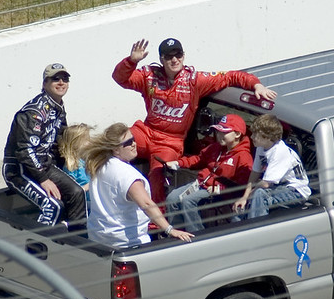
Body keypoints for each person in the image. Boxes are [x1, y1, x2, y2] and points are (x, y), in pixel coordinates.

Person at [112, 37, 277, 205]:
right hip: (146, 131)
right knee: (113, 143)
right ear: (161, 59)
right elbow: (120, 79)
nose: (175, 59)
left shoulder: (195, 80)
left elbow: (230, 77)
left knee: (159, 174)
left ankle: (157, 224)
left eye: (178, 55)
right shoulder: (149, 76)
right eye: (169, 56)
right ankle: (109, 197)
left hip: (170, 142)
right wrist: (131, 61)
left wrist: (256, 85)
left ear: (184, 56)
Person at [2, 63, 87, 227]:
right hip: (19, 170)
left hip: (44, 165)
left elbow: (62, 139)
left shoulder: (57, 106)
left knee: (77, 193)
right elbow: (25, 150)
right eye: (56, 79)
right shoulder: (33, 112)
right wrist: (43, 179)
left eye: (65, 79)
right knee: (52, 206)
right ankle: (35, 250)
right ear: (44, 84)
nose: (61, 82)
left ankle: (78, 243)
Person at [85, 123, 194, 248]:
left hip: (98, 239)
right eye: (128, 143)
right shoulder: (128, 176)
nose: (134, 144)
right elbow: (147, 204)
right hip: (129, 243)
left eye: (133, 139)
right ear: (115, 149)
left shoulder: (99, 165)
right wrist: (170, 230)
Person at [164, 113, 253, 232]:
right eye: (218, 131)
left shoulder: (244, 157)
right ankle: (178, 233)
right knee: (172, 198)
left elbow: (242, 184)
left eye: (224, 132)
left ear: (237, 134)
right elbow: (199, 159)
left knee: (188, 201)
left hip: (217, 191)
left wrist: (219, 189)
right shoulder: (215, 147)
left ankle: (196, 235)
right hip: (200, 184)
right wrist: (178, 163)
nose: (219, 135)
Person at [233, 114, 311, 219]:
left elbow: (265, 184)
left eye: (256, 135)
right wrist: (244, 197)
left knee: (260, 194)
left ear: (268, 137)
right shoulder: (261, 147)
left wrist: (250, 195)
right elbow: (255, 173)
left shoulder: (280, 151)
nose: (252, 137)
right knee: (246, 203)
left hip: (296, 191)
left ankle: (257, 227)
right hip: (277, 187)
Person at [58, 123, 93, 195]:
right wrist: (89, 186)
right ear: (75, 143)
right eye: (87, 140)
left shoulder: (86, 160)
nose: (90, 142)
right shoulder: (71, 167)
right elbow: (72, 191)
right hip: (84, 202)